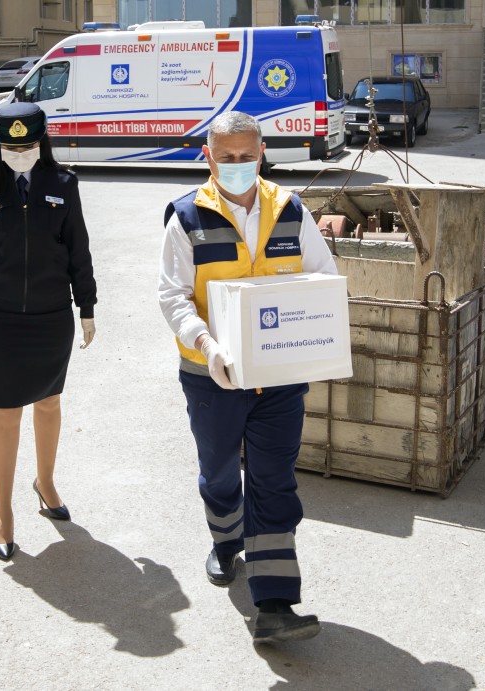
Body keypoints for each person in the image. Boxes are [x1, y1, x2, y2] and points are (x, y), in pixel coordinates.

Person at [157, 111, 337, 643]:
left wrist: (315, 333)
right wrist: (207, 344)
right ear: (208, 157)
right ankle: (224, 540)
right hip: (210, 376)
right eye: (226, 157)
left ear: (262, 154)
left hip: (278, 380)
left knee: (273, 480)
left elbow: (321, 277)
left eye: (246, 156)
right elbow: (171, 296)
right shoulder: (186, 217)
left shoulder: (290, 209)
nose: (237, 166)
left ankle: (275, 603)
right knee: (218, 473)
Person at [0, 102, 97, 560]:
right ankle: (2, 510)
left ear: (43, 142)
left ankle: (46, 482)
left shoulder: (63, 184)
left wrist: (86, 306)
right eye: (12, 147)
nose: (21, 153)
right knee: (6, 414)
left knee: (50, 402)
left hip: (51, 314)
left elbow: (79, 249)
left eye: (29, 145)